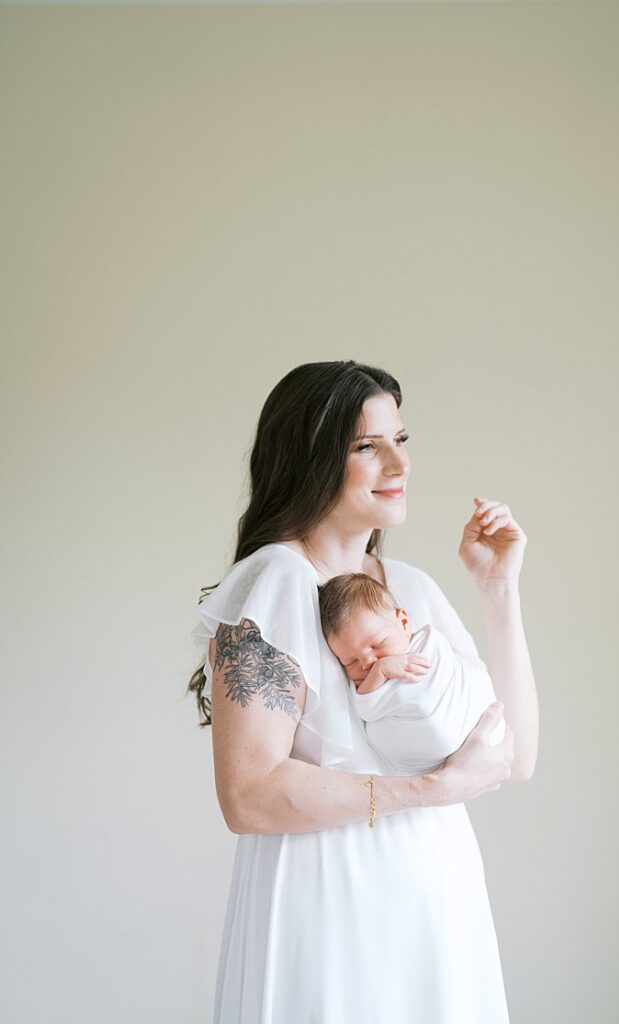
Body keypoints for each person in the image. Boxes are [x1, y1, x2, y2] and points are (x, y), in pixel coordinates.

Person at [188, 360, 539, 1024]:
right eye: (367, 446)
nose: (397, 463)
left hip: (436, 906)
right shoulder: (275, 583)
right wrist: (435, 789)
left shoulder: (411, 588)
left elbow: (513, 758)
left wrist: (500, 592)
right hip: (326, 906)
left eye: (400, 441)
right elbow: (248, 795)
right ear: (310, 460)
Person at [318, 571, 507, 772]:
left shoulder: (429, 641)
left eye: (378, 643)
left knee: (478, 679)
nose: (368, 662)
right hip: (428, 750)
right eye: (351, 661)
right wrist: (380, 672)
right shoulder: (370, 681)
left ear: (404, 623)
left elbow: (455, 665)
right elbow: (366, 708)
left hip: (477, 717)